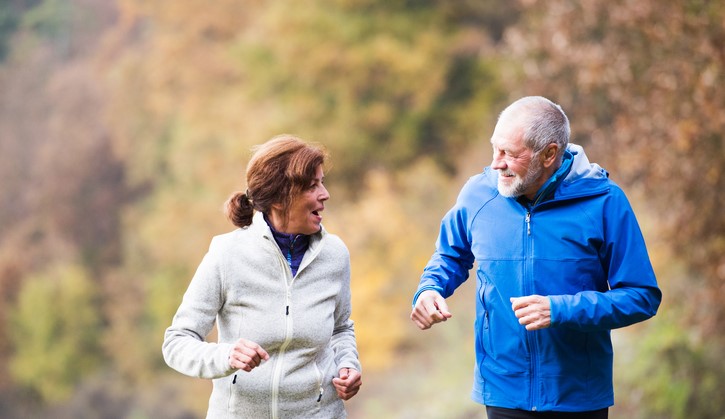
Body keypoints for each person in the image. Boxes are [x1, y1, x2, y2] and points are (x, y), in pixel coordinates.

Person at [410, 96, 661, 419]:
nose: (496, 163)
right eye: (495, 149)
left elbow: (642, 296)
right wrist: (430, 289)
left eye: (510, 155)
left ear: (549, 154)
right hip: (503, 390)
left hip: (578, 395)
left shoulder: (604, 201)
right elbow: (449, 255)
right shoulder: (477, 195)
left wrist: (561, 309)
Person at [163, 134, 362, 418]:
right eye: (312, 186)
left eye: (322, 182)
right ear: (280, 197)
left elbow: (341, 329)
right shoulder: (227, 254)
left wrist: (348, 365)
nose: (325, 194)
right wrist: (226, 356)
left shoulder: (334, 255)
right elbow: (177, 342)